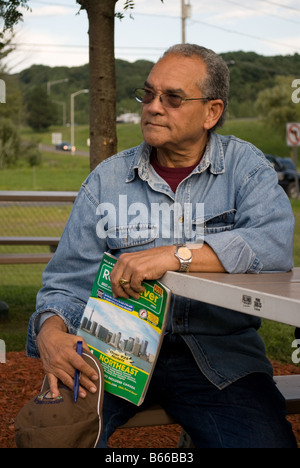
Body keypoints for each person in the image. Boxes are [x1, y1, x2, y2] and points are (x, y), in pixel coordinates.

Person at [27, 44, 297, 448]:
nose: (153, 107)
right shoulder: (106, 181)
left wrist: (176, 256)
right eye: (148, 94)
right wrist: (50, 332)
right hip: (114, 351)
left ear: (212, 112)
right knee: (48, 436)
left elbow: (273, 245)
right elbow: (66, 284)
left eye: (172, 98)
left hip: (220, 355)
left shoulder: (246, 167)